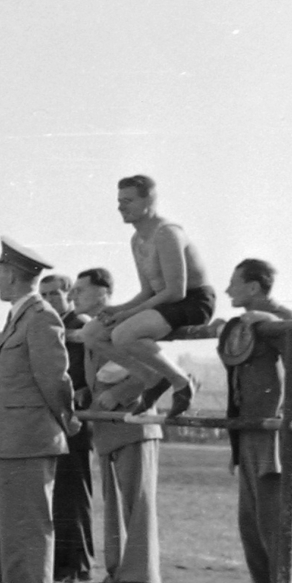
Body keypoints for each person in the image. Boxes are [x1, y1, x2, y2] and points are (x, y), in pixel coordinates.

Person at [0, 239, 79, 583]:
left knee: (27, 523)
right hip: (8, 435)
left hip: (28, 436)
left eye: (0, 273)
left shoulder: (40, 317)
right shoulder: (22, 315)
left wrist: (65, 419)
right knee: (1, 523)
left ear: (15, 277)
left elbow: (54, 379)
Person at [221, 258, 292, 583]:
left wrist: (271, 325)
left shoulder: (279, 315)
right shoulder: (240, 324)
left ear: (253, 287)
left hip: (276, 433)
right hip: (250, 430)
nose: (228, 290)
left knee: (279, 523)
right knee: (252, 525)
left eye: (234, 283)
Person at [82, 175, 215, 418]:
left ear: (149, 200)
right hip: (163, 302)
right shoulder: (136, 239)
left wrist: (129, 314)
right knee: (90, 333)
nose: (121, 207)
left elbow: (177, 291)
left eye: (129, 200)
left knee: (123, 334)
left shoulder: (166, 233)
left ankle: (180, 382)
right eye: (119, 200)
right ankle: (151, 378)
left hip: (194, 301)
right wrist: (117, 309)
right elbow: (147, 291)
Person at [74, 268, 162, 583]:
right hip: (106, 425)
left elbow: (154, 370)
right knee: (112, 505)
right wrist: (87, 392)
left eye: (81, 290)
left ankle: (140, 576)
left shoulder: (126, 324)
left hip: (134, 422)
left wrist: (120, 394)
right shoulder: (93, 330)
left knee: (136, 504)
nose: (74, 297)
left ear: (103, 293)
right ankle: (118, 573)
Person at [40, 273, 93, 583]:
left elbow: (83, 374)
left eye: (54, 295)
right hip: (54, 417)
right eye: (44, 296)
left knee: (73, 493)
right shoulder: (49, 325)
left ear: (69, 295)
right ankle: (61, 562)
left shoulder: (80, 325)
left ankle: (77, 564)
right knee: (57, 492)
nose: (49, 301)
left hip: (75, 417)